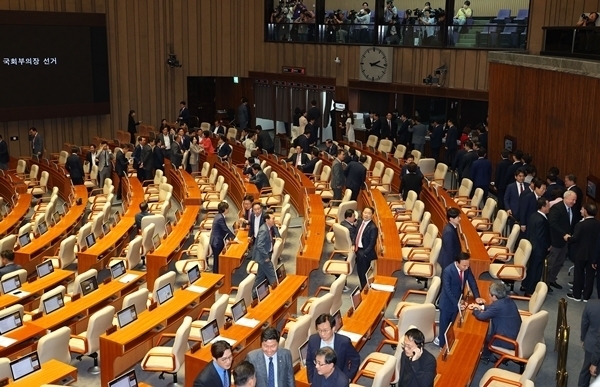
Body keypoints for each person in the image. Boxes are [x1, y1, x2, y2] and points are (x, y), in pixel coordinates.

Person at [436, 252, 484, 347]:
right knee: (444, 327)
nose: (466, 268)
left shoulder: (466, 268)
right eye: (464, 266)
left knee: (454, 325)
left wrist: (477, 296)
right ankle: (442, 345)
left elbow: (472, 281)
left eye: (467, 265)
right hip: (447, 303)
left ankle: (450, 343)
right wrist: (457, 303)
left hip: (458, 299)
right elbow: (447, 290)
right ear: (457, 263)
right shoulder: (448, 271)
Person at [470, 282, 522, 361]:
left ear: (494, 296)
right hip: (515, 334)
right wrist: (480, 306)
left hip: (507, 341)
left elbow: (481, 316)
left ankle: (487, 356)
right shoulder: (508, 299)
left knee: (482, 338)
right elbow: (493, 307)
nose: (489, 296)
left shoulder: (498, 306)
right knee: (488, 334)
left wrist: (475, 309)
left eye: (490, 294)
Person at [306, 314, 360, 383]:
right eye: (319, 330)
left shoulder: (344, 342)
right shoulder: (313, 340)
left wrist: (348, 377)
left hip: (337, 380)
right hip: (318, 379)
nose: (322, 334)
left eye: (325, 330)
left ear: (333, 328)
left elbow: (355, 359)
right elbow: (309, 361)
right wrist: (311, 380)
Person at [566, 203, 600, 302]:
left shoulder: (581, 224)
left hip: (581, 253)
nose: (581, 211)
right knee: (590, 275)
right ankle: (586, 296)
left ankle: (576, 295)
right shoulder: (598, 224)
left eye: (582, 209)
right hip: (593, 255)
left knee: (578, 274)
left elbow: (575, 238)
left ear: (586, 211)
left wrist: (568, 238)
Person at [547, 190, 577, 290]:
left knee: (560, 262)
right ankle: (545, 281)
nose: (574, 202)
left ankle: (552, 279)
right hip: (556, 240)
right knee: (551, 262)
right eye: (573, 199)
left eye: (575, 200)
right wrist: (563, 234)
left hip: (565, 242)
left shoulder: (573, 209)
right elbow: (553, 223)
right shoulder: (557, 208)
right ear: (566, 198)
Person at [522, 198, 551, 296]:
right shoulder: (541, 219)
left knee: (531, 268)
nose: (549, 207)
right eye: (547, 205)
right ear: (543, 207)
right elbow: (541, 236)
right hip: (539, 249)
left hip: (532, 246)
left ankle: (525, 284)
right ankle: (530, 290)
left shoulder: (534, 215)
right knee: (536, 270)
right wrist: (547, 246)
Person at [251, 214, 281, 297]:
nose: (274, 220)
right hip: (263, 258)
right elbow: (259, 245)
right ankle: (278, 296)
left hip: (264, 255)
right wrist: (266, 257)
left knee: (260, 277)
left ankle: (253, 295)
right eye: (272, 219)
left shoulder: (268, 227)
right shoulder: (263, 230)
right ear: (267, 220)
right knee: (273, 277)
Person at [210, 202, 239, 274]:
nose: (228, 210)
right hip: (217, 242)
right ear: (225, 209)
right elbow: (225, 229)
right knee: (217, 260)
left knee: (218, 260)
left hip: (216, 240)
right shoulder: (220, 218)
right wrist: (234, 238)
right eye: (227, 208)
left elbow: (223, 230)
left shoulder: (218, 215)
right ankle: (215, 276)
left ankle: (218, 273)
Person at [578, 299, 600, 387]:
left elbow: (584, 324)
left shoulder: (591, 304)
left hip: (591, 344)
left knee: (585, 372)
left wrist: (583, 338)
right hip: (595, 345)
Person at [355, 207, 379, 288]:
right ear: (362, 213)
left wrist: (364, 254)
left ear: (372, 215)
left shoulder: (373, 227)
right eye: (365, 212)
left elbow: (372, 243)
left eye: (369, 213)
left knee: (364, 273)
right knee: (359, 271)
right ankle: (363, 287)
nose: (366, 215)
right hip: (358, 250)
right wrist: (353, 244)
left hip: (365, 253)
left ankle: (365, 290)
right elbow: (356, 234)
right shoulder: (360, 221)